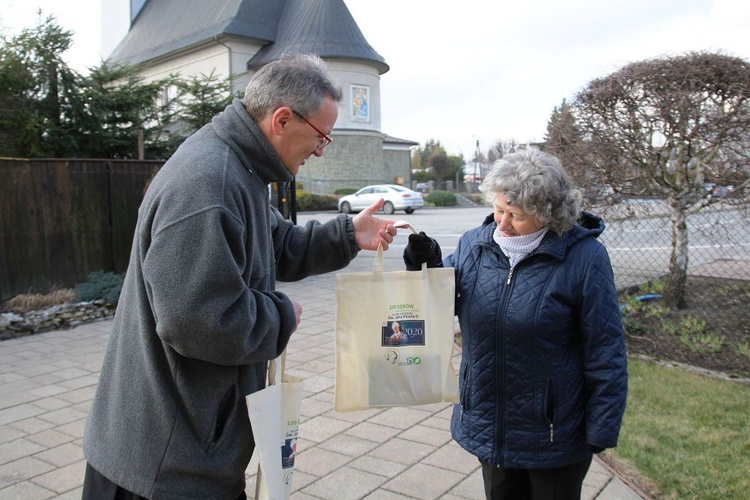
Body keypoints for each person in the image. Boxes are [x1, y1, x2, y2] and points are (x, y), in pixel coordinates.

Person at [82, 53, 399, 499]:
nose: (320, 150)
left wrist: (348, 234)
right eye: (322, 137)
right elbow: (196, 320)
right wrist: (281, 314)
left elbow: (277, 244)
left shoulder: (241, 168)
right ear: (282, 120)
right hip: (163, 464)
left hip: (188, 449)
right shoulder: (209, 183)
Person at [404, 147, 627, 499]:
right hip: (489, 423)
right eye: (498, 209)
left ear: (548, 215)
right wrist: (424, 262)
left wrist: (602, 425)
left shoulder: (584, 258)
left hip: (554, 433)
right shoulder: (474, 244)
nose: (503, 224)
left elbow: (606, 349)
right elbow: (440, 297)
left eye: (517, 216)